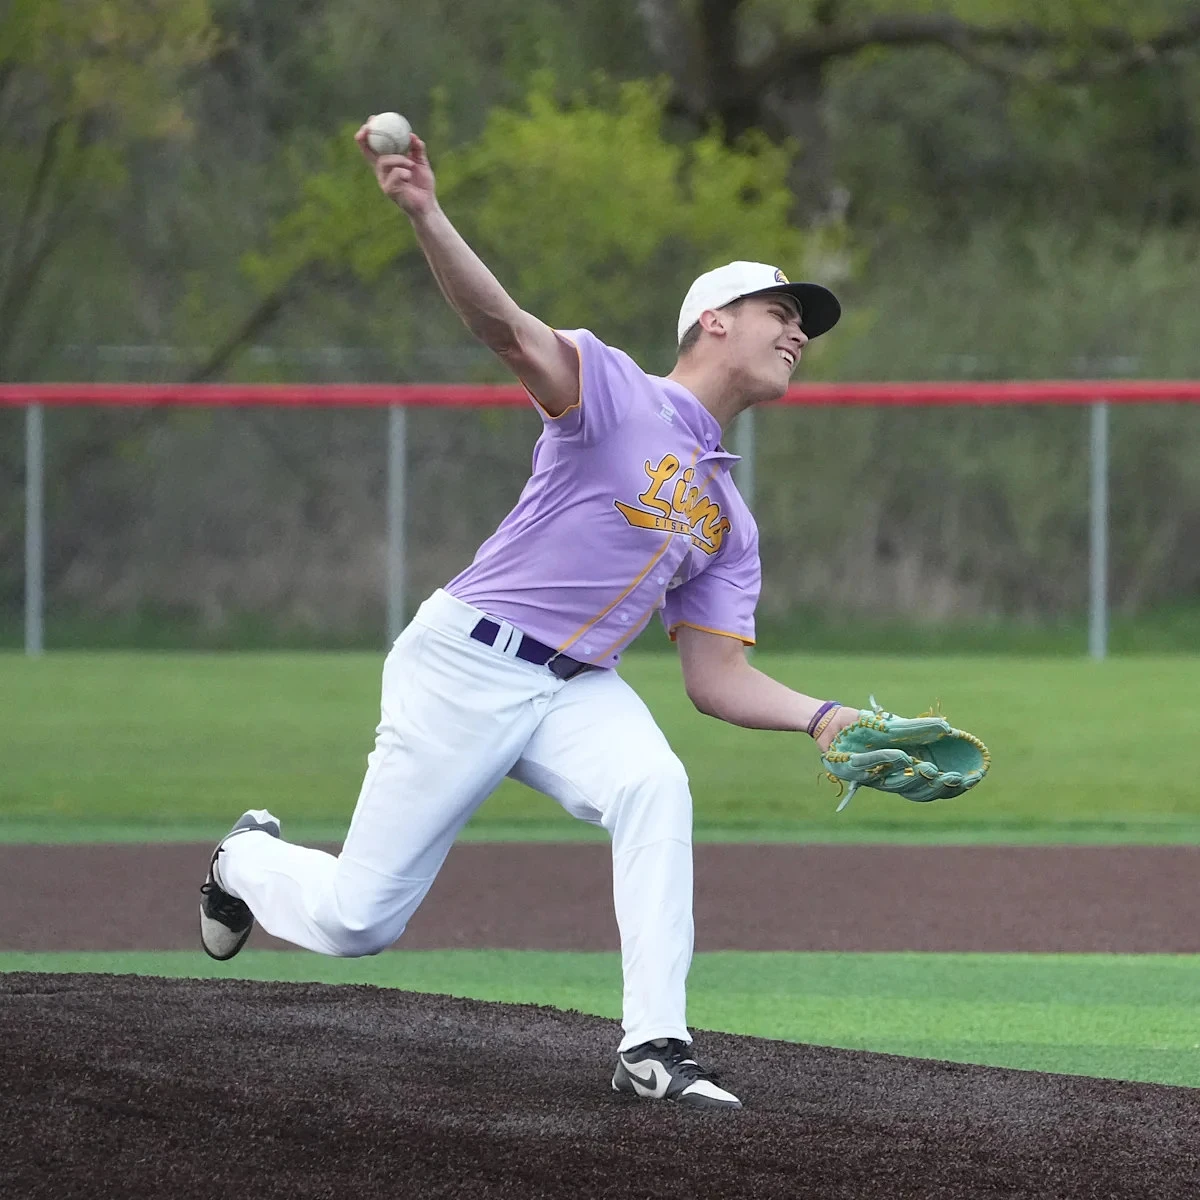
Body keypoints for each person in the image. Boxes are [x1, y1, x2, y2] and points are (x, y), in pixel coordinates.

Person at [199, 120, 861, 1111]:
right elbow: (505, 328)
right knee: (357, 922)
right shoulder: (613, 390)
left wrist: (824, 717)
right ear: (713, 322)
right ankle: (244, 858)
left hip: (577, 688)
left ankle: (654, 1046)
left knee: (655, 786)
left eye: (805, 323)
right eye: (781, 311)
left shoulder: (729, 517)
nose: (799, 333)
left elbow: (715, 679)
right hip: (465, 663)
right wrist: (425, 213)